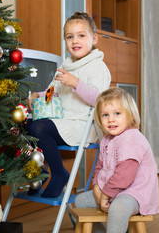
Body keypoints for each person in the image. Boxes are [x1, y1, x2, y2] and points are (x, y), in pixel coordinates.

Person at [27, 12, 111, 198]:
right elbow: (53, 93)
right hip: (59, 121)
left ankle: (59, 173)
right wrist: (38, 95)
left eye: (81, 35)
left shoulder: (97, 67)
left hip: (80, 124)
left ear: (94, 38)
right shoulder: (66, 66)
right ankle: (39, 171)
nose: (75, 41)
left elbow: (99, 99)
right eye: (69, 36)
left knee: (39, 127)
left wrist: (75, 83)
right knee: (25, 124)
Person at [74, 87, 159, 233]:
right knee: (79, 201)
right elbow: (99, 168)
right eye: (105, 115)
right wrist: (96, 188)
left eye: (117, 113)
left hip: (134, 193)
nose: (111, 119)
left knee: (118, 208)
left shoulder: (131, 139)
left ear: (130, 115)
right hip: (111, 191)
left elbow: (124, 177)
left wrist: (105, 195)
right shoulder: (107, 140)